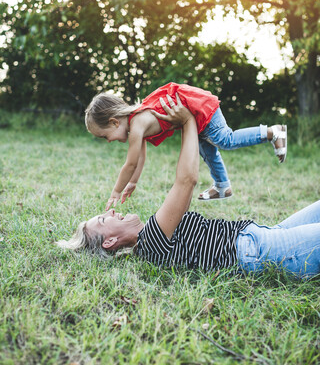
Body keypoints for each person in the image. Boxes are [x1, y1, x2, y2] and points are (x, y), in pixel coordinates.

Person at [58, 99, 319, 280]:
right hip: (262, 252)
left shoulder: (151, 233)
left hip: (264, 235)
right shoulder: (150, 244)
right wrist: (187, 122)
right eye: (104, 220)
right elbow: (186, 181)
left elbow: (139, 155)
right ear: (110, 241)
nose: (113, 212)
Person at [85, 82, 287, 208]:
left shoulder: (137, 124)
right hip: (192, 116)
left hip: (197, 108)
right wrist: (133, 182)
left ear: (114, 122)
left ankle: (272, 132)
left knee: (225, 140)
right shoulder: (136, 127)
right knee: (206, 150)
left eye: (105, 136)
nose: (109, 141)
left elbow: (129, 164)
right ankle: (222, 185)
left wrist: (116, 191)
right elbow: (140, 159)